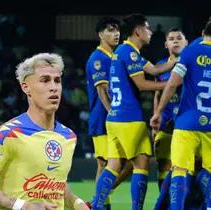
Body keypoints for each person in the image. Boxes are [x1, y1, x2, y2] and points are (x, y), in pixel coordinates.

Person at [151, 20, 211, 210]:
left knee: (179, 170)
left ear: (203, 32)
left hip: (187, 123)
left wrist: (159, 111)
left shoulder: (190, 52)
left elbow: (172, 84)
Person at [92, 13, 176, 210]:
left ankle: (96, 206)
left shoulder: (124, 52)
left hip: (114, 118)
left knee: (113, 166)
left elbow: (155, 70)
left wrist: (172, 61)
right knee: (141, 164)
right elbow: (142, 84)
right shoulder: (130, 53)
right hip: (129, 118)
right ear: (138, 31)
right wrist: (171, 85)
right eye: (147, 28)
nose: (151, 32)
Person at [0, 53, 89, 210]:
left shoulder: (69, 136)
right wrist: (23, 206)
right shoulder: (7, 134)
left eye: (57, 81)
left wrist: (76, 203)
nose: (53, 87)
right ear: (26, 87)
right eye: (45, 80)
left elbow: (57, 184)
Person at [85, 17, 133, 210]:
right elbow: (102, 90)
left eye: (117, 30)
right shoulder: (98, 58)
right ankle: (101, 203)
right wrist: (114, 113)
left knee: (129, 162)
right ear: (100, 34)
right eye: (110, 30)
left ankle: (99, 200)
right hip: (103, 118)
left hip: (112, 118)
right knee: (105, 164)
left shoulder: (113, 57)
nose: (116, 34)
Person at [152, 27, 188, 210]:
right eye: (171, 38)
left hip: (186, 126)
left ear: (186, 42)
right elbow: (157, 95)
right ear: (166, 44)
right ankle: (164, 203)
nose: (175, 41)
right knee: (163, 165)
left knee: (186, 169)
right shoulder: (160, 65)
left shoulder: (191, 63)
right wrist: (155, 116)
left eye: (179, 38)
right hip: (165, 125)